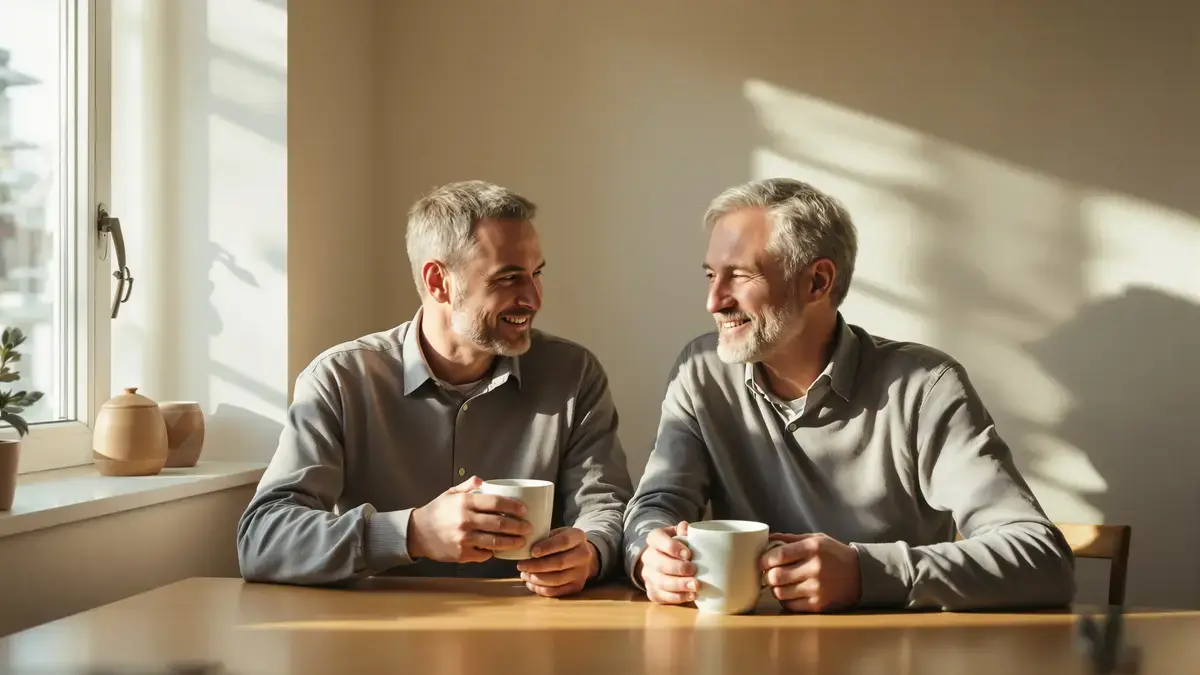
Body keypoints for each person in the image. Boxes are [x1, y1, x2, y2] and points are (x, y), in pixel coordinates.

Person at [624, 177, 1075, 612]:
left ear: (818, 282)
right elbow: (657, 504)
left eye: (739, 276)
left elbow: (1042, 558)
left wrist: (866, 574)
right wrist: (650, 554)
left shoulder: (925, 386)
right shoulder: (700, 372)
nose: (714, 301)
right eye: (710, 275)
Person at [238, 180, 633, 597]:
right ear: (438, 281)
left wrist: (589, 553)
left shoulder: (572, 374)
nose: (533, 297)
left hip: (531, 630)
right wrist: (412, 533)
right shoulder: (341, 380)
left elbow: (605, 508)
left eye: (537, 274)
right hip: (373, 637)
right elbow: (263, 539)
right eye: (508, 278)